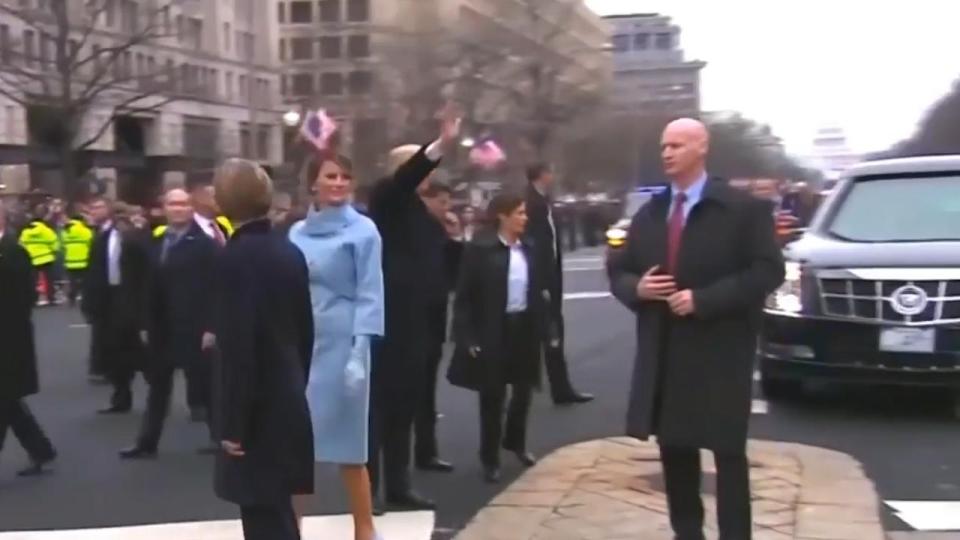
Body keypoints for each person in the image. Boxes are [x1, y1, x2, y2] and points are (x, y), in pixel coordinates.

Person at [608, 118, 785, 540]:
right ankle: (687, 532)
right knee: (674, 450)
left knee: (727, 453)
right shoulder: (650, 214)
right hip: (665, 348)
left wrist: (704, 300)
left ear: (702, 148)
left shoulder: (742, 209)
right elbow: (619, 271)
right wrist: (639, 288)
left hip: (720, 349)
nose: (667, 153)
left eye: (677, 145)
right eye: (664, 145)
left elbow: (767, 271)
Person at [212, 159, 314, 540]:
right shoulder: (288, 251)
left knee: (262, 518)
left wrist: (233, 423)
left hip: (255, 406)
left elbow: (239, 345)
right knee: (277, 511)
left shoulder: (234, 259)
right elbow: (305, 331)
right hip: (286, 389)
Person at [365, 105, 461, 511]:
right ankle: (366, 489)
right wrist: (440, 144)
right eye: (422, 169)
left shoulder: (424, 214)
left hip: (421, 321)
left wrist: (455, 241)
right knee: (380, 409)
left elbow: (441, 269)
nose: (430, 178)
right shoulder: (387, 198)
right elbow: (406, 180)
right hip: (389, 320)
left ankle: (399, 484)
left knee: (405, 406)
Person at [288, 153, 385, 540]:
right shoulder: (295, 233)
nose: (339, 182)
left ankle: (364, 527)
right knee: (296, 443)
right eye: (331, 176)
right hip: (302, 340)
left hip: (344, 342)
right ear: (313, 182)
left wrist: (360, 351)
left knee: (349, 444)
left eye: (346, 176)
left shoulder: (364, 231)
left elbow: (370, 293)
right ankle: (291, 528)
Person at [448, 193, 550, 483]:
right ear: (503, 216)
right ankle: (489, 456)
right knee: (492, 395)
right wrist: (466, 336)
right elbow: (464, 296)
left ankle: (515, 442)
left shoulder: (529, 248)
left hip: (524, 326)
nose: (524, 218)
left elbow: (539, 289)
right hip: (494, 327)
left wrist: (547, 326)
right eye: (519, 213)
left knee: (523, 390)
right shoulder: (480, 249)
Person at [119, 189, 219, 459]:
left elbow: (217, 288)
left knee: (206, 385)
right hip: (162, 327)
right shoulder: (157, 241)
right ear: (164, 208)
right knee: (158, 388)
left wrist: (212, 327)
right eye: (173, 204)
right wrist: (144, 322)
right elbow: (149, 285)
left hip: (194, 326)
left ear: (191, 208)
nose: (178, 209)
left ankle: (220, 437)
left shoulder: (205, 244)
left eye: (184, 204)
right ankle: (146, 442)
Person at [525, 164, 593, 405]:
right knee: (546, 332)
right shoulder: (531, 203)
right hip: (540, 277)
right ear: (541, 175)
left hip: (551, 273)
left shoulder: (543, 200)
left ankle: (560, 389)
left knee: (552, 332)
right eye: (549, 172)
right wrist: (540, 278)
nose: (553, 176)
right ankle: (554, 389)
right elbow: (532, 244)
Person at [0, 204, 57, 477]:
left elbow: (25, 297)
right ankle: (41, 449)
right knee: (9, 402)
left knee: (4, 398)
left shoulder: (13, 251)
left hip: (8, 338)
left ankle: (41, 450)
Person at [82, 204, 151, 414]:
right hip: (109, 301)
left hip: (131, 298)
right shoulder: (103, 239)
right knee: (114, 351)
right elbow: (94, 271)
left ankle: (157, 387)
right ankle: (121, 396)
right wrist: (90, 303)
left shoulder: (138, 239)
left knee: (140, 351)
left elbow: (147, 272)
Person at [84, 196, 113, 383]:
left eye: (99, 207)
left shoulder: (115, 233)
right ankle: (102, 367)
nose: (94, 211)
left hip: (110, 294)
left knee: (112, 333)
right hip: (98, 293)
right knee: (102, 332)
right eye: (92, 208)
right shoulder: (97, 232)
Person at [18, 210, 59, 306]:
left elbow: (21, 245)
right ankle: (51, 298)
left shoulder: (25, 232)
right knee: (49, 279)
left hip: (32, 259)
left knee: (33, 280)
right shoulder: (47, 230)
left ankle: (34, 299)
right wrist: (53, 251)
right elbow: (55, 243)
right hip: (46, 258)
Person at [61, 212, 94, 307]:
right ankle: (86, 298)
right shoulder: (86, 230)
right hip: (84, 260)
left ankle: (72, 298)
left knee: (72, 281)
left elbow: (63, 244)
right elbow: (91, 242)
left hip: (70, 261)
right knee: (85, 280)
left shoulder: (66, 231)